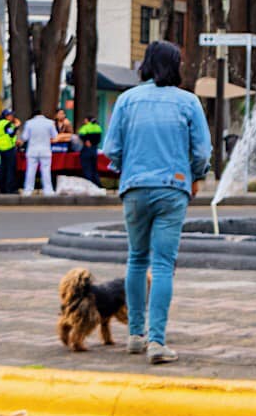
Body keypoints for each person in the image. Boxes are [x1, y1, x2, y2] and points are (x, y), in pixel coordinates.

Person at [102, 40, 211, 364]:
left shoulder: (126, 100)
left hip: (134, 188)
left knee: (136, 258)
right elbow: (202, 152)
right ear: (175, 65)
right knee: (163, 265)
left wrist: (129, 167)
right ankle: (157, 341)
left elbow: (111, 150)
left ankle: (134, 335)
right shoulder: (188, 102)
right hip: (172, 189)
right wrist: (194, 175)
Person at [19, 108, 59, 196]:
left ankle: (28, 190)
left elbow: (25, 137)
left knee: (31, 170)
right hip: (45, 150)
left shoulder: (29, 123)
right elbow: (55, 136)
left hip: (32, 150)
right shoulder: (50, 123)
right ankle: (48, 190)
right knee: (46, 170)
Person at [0, 110, 21, 196]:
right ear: (6, 116)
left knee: (2, 169)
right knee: (10, 169)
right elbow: (11, 133)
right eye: (10, 116)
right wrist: (17, 126)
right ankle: (10, 189)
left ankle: (3, 188)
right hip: (8, 148)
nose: (12, 117)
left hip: (0, 148)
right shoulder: (7, 124)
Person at [77, 110, 104, 185]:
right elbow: (99, 139)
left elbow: (81, 135)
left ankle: (89, 184)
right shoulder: (98, 127)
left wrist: (86, 141)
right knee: (94, 168)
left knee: (87, 168)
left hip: (86, 149)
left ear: (87, 120)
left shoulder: (85, 127)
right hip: (94, 149)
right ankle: (97, 184)